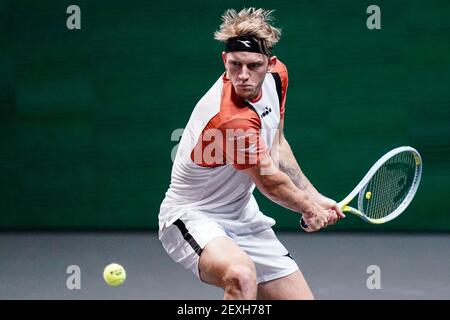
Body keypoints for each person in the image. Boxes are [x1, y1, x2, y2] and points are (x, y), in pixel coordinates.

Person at [158, 7, 345, 300]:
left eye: (253, 65)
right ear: (224, 60)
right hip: (193, 216)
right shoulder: (231, 117)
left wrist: (315, 196)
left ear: (270, 63)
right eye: (235, 64)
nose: (243, 76)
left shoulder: (277, 78)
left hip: (242, 214)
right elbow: (269, 182)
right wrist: (309, 208)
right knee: (240, 275)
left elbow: (277, 143)